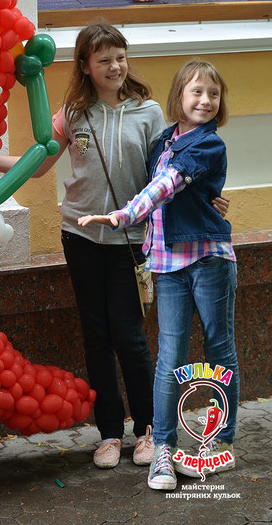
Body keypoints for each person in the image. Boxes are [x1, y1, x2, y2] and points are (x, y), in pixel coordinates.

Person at [0, 23, 228, 470]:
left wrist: (209, 198)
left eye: (120, 58)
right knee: (96, 336)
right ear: (85, 65)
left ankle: (147, 429)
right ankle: (108, 433)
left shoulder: (149, 112)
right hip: (80, 237)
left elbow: (173, 173)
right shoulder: (73, 113)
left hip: (131, 239)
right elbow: (39, 165)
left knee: (129, 335)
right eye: (104, 60)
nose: (115, 67)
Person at [79, 60, 239, 491]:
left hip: (208, 259)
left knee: (220, 351)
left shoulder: (209, 144)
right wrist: (208, 199)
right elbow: (164, 184)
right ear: (179, 96)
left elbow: (167, 184)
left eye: (214, 94)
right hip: (167, 264)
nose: (205, 100)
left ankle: (221, 441)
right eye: (197, 92)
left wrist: (122, 215)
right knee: (170, 358)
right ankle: (164, 449)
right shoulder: (164, 140)